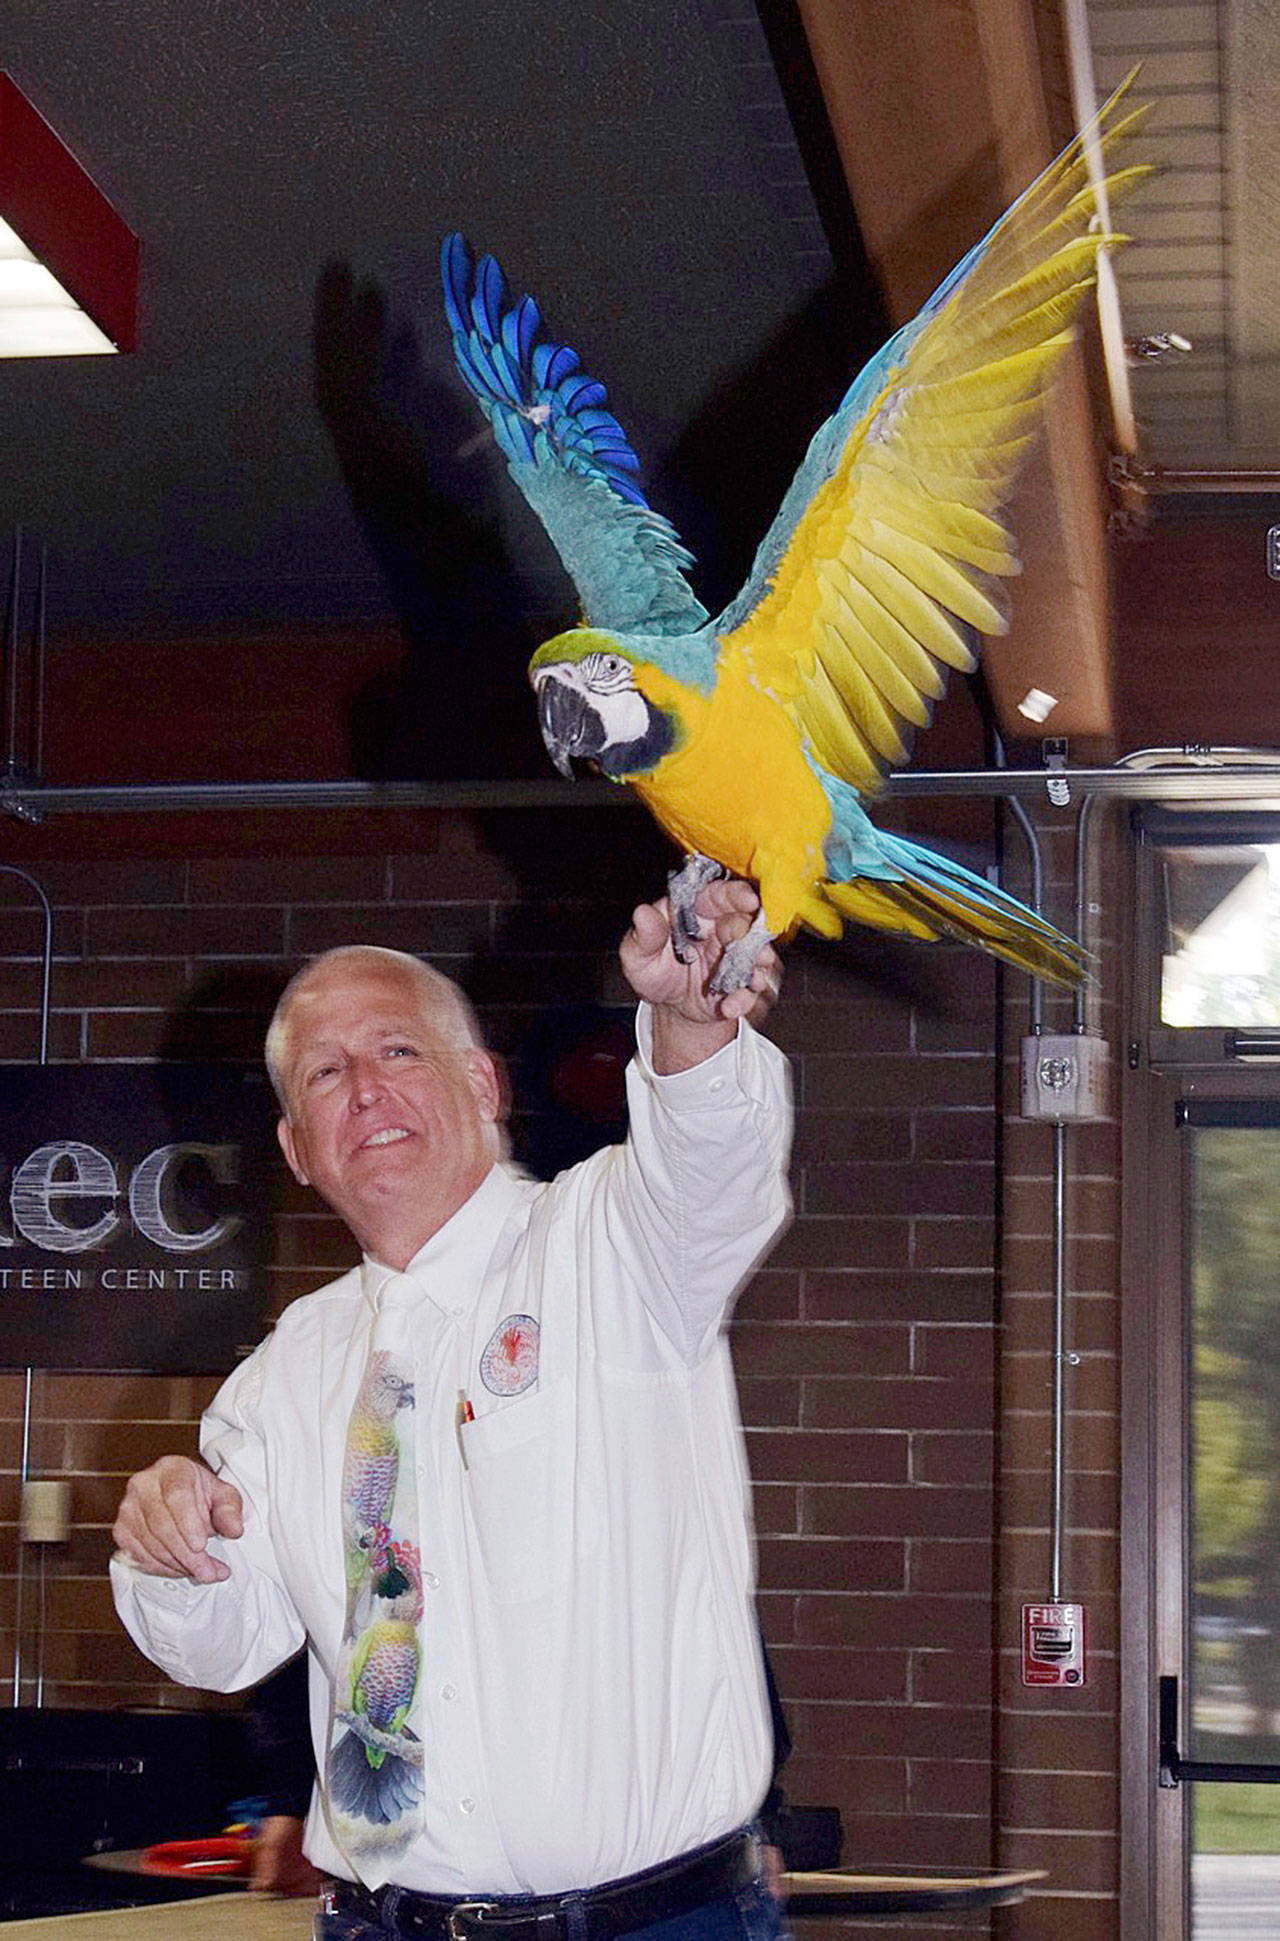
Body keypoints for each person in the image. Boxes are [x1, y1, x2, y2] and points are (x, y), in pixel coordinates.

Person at [111, 881, 790, 1941]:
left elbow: (712, 1166)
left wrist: (689, 1018)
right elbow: (225, 1646)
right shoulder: (282, 1376)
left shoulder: (614, 1252)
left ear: (482, 1083)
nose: (365, 1094)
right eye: (325, 1075)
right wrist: (170, 1544)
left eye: (396, 1053)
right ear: (297, 1148)